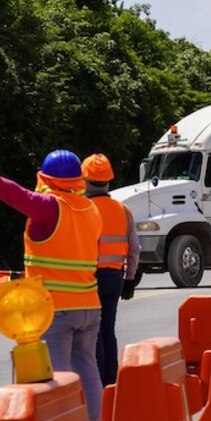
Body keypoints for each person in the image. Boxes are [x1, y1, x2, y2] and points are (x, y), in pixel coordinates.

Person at [0, 149, 104, 421]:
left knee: (57, 376)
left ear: (46, 178)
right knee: (87, 368)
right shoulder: (91, 209)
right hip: (89, 305)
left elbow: (12, 193)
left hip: (55, 308)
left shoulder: (48, 207)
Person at [80, 153, 140, 387]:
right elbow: (134, 249)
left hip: (90, 278)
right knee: (108, 329)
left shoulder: (84, 210)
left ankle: (98, 381)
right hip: (115, 278)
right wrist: (130, 279)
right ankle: (112, 380)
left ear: (84, 180)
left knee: (92, 333)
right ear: (109, 180)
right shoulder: (123, 210)